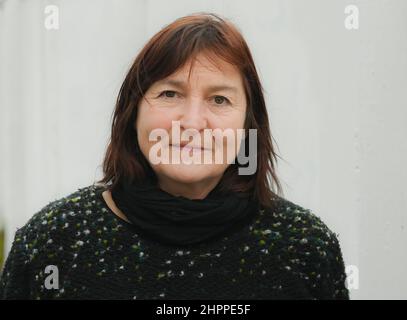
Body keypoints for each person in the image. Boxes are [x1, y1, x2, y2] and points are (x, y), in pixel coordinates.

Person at [0, 12, 349, 300]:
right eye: (170, 93)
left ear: (248, 125)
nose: (193, 122)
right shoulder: (53, 242)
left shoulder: (303, 247)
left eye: (219, 99)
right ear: (132, 113)